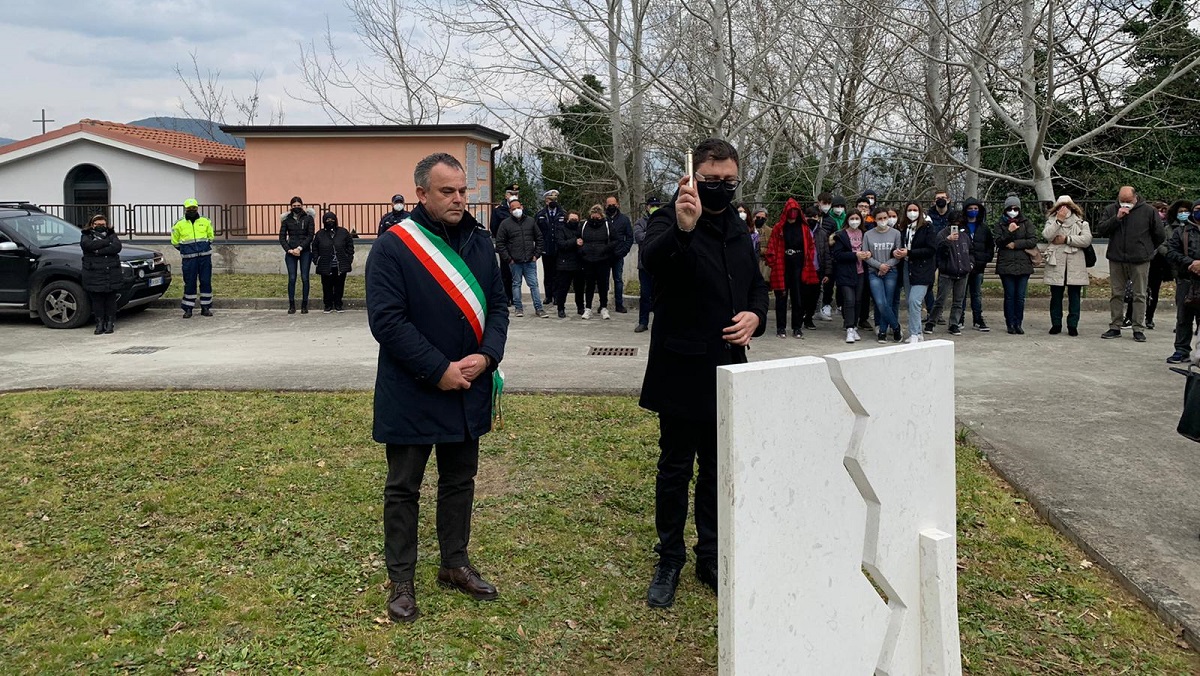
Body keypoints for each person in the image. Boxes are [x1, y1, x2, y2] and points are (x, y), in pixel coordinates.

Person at [366, 152, 510, 624]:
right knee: (403, 488)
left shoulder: (480, 242)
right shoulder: (394, 247)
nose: (458, 199)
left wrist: (487, 357)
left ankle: (454, 563)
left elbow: (499, 306)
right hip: (413, 389)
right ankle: (401, 579)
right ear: (421, 193)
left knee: (459, 481)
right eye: (447, 191)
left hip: (468, 385)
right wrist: (437, 369)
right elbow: (387, 322)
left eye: (463, 191)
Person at [640, 138, 768, 608]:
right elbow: (655, 263)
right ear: (693, 177)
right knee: (675, 468)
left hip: (728, 368)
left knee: (717, 467)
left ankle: (710, 554)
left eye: (728, 180)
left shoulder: (738, 225)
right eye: (711, 180)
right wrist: (685, 228)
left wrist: (756, 315)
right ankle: (669, 557)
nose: (720, 187)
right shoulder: (668, 218)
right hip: (680, 367)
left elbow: (755, 285)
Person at [1096, 186, 1166, 342]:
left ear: (1135, 197)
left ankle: (1138, 328)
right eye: (1122, 200)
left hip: (1140, 259)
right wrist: (1117, 218)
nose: (1125, 203)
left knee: (1139, 294)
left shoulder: (1148, 211)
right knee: (1116, 293)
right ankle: (1115, 326)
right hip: (1116, 258)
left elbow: (1159, 234)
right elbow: (1101, 229)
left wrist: (1146, 249)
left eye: (1128, 200)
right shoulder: (1111, 209)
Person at [765, 199, 820, 338]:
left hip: (799, 265)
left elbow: (811, 246)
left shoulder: (804, 228)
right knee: (781, 297)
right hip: (782, 264)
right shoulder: (779, 227)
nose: (793, 213)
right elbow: (772, 247)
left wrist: (808, 260)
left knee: (798, 297)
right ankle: (781, 328)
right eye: (791, 210)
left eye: (795, 210)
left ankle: (797, 327)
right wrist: (773, 263)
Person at [1042, 195, 1092, 336]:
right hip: (1056, 264)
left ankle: (1072, 325)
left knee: (1074, 297)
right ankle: (1056, 324)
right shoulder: (1051, 221)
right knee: (1056, 297)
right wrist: (1058, 221)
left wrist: (1067, 239)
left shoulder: (1081, 223)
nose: (1064, 209)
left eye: (1067, 206)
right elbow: (1047, 235)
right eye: (1061, 206)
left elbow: (1086, 240)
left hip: (1075, 264)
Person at [993, 194, 1038, 335]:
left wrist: (1016, 244)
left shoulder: (1026, 223)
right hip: (1006, 265)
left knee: (1020, 297)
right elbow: (998, 241)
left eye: (1015, 208)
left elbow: (1032, 240)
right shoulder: (1000, 224)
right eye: (1010, 208)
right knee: (1009, 296)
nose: (1013, 211)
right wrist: (1009, 232)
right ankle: (1010, 323)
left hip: (1023, 265)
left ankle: (1018, 323)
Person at [495, 200, 547, 318]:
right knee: (516, 284)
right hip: (515, 262)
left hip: (530, 260)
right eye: (513, 209)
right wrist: (509, 259)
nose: (516, 210)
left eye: (518, 207)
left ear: (522, 207)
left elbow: (539, 238)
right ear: (510, 211)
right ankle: (518, 308)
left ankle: (539, 308)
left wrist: (536, 255)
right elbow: (500, 243)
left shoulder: (531, 221)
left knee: (534, 285)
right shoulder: (505, 224)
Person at [1165, 201, 1200, 364]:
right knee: (1183, 317)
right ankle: (1181, 350)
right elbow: (1171, 253)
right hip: (1186, 280)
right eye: (1197, 209)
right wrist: (1191, 263)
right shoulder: (1181, 231)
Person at [897, 203, 936, 343]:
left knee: (915, 300)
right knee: (910, 302)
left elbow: (931, 249)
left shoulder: (928, 227)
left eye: (915, 210)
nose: (912, 212)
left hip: (923, 268)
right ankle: (918, 332)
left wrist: (910, 253)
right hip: (907, 267)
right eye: (909, 210)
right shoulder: (903, 228)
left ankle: (913, 333)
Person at [863, 208, 903, 342]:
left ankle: (883, 331)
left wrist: (886, 266)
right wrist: (879, 266)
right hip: (874, 272)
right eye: (879, 218)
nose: (883, 221)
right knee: (880, 302)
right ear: (874, 220)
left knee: (888, 302)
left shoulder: (896, 233)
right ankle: (896, 326)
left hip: (891, 271)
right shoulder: (868, 235)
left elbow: (898, 255)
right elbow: (866, 255)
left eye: (885, 218)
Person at [171, 198, 214, 318]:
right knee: (190, 283)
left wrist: (203, 248)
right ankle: (188, 309)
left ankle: (206, 307)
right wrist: (186, 250)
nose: (191, 210)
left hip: (204, 258)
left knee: (206, 281)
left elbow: (211, 237)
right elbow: (175, 242)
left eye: (194, 208)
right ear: (185, 209)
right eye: (189, 208)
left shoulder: (205, 221)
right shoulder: (179, 224)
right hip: (189, 259)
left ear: (197, 208)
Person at [80, 213, 122, 335]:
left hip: (111, 273)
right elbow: (88, 246)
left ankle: (110, 323)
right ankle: (99, 323)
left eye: (102, 224)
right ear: (92, 225)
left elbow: (116, 247)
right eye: (97, 224)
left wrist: (98, 251)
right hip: (94, 274)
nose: (100, 226)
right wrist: (107, 242)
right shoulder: (86, 235)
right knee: (97, 300)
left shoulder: (111, 234)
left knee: (110, 300)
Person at [831, 210, 870, 343]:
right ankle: (849, 328)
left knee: (858, 300)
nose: (854, 221)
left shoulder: (865, 234)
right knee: (849, 300)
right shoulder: (841, 235)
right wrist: (855, 255)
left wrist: (867, 254)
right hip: (845, 272)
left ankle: (854, 325)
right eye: (852, 218)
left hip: (861, 272)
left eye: (857, 218)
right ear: (847, 220)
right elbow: (837, 255)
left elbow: (870, 249)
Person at [960, 197, 994, 332]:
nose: (973, 211)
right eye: (970, 208)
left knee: (976, 295)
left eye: (975, 208)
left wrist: (984, 259)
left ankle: (978, 319)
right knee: (961, 295)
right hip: (963, 266)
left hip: (978, 267)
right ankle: (959, 319)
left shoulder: (984, 228)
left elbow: (990, 246)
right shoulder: (960, 227)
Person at [311, 210, 355, 313]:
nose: (330, 221)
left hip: (340, 264)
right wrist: (317, 260)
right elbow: (314, 248)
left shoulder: (343, 232)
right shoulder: (320, 234)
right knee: (326, 286)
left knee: (339, 285)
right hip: (325, 265)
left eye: (332, 219)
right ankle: (328, 305)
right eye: (327, 219)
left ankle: (338, 304)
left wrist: (348, 258)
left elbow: (350, 246)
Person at [1147, 201, 1179, 331]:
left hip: (1162, 262)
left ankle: (1149, 317)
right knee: (1144, 291)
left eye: (1164, 211)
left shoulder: (1170, 227)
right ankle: (1137, 316)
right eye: (1159, 210)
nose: (1162, 213)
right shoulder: (1147, 222)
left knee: (1154, 291)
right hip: (1147, 259)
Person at [280, 196, 315, 315]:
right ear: (291, 206)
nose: (296, 207)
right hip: (291, 252)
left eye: (298, 205)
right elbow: (282, 237)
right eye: (294, 206)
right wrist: (289, 250)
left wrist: (300, 248)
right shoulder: (286, 220)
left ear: (302, 206)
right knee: (292, 278)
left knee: (305, 278)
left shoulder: (308, 218)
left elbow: (310, 236)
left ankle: (304, 305)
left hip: (305, 251)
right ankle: (292, 305)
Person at [580, 205, 615, 320]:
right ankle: (588, 308)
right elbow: (578, 239)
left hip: (603, 260)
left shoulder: (607, 225)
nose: (595, 218)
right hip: (588, 260)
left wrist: (605, 249)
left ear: (601, 215)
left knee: (603, 285)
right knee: (589, 285)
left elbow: (615, 240)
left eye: (597, 216)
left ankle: (603, 307)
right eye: (593, 216)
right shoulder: (584, 225)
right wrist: (583, 251)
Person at [633, 198, 662, 331]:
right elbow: (639, 237)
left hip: (660, 265)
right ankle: (643, 322)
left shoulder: (663, 221)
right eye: (652, 206)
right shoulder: (640, 222)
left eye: (657, 205)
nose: (654, 208)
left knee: (660, 296)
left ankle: (660, 323)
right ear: (647, 207)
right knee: (645, 295)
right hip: (644, 265)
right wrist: (655, 234)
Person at [819, 194, 848, 321]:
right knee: (828, 282)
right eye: (837, 206)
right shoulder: (828, 218)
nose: (839, 208)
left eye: (841, 206)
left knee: (841, 282)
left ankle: (840, 304)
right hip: (828, 252)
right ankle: (826, 304)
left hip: (842, 252)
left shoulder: (847, 218)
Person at [490, 186, 519, 307]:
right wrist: (502, 240)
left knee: (517, 273)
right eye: (512, 193)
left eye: (516, 193)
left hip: (518, 245)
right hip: (505, 246)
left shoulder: (520, 209)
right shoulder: (499, 210)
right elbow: (494, 227)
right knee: (505, 273)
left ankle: (516, 298)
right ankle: (507, 297)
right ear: (506, 195)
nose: (514, 196)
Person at [554, 211, 586, 319]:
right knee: (563, 288)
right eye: (572, 219)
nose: (574, 221)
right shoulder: (561, 230)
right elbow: (561, 244)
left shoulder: (581, 230)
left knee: (580, 288)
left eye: (576, 220)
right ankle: (561, 308)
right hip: (564, 264)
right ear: (567, 220)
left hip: (579, 263)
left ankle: (580, 307)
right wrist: (574, 242)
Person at [535, 190, 565, 306]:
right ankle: (548, 296)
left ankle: (557, 296)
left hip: (559, 248)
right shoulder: (540, 214)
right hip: (546, 248)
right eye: (550, 200)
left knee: (558, 274)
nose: (552, 202)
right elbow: (536, 232)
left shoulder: (563, 214)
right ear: (546, 201)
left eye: (554, 200)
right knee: (548, 274)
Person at [605, 196, 635, 313]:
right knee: (604, 280)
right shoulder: (603, 219)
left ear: (617, 205)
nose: (611, 207)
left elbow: (629, 237)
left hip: (618, 255)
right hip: (605, 255)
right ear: (605, 205)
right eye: (609, 205)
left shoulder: (624, 219)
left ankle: (619, 304)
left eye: (613, 204)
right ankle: (603, 304)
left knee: (618, 280)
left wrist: (623, 251)